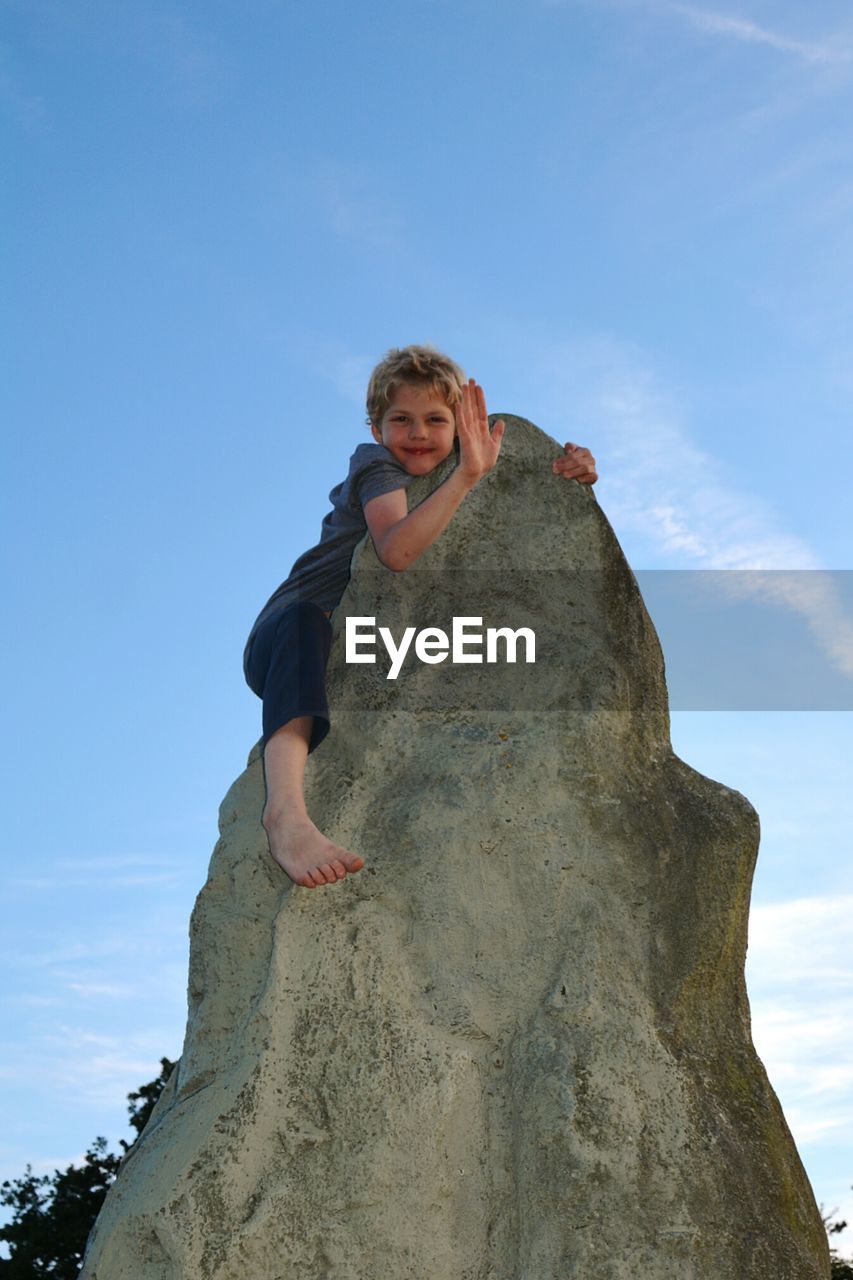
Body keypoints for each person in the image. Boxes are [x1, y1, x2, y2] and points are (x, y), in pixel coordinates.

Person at [243, 345, 597, 890]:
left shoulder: (464, 455)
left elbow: (522, 467)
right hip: (289, 630)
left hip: (365, 647)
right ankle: (285, 815)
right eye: (400, 420)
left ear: (460, 424)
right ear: (375, 427)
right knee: (304, 624)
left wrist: (571, 469)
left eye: (436, 420)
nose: (418, 433)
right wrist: (468, 477)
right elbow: (397, 550)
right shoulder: (375, 464)